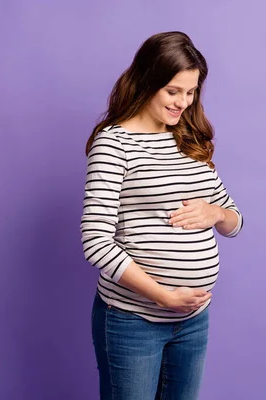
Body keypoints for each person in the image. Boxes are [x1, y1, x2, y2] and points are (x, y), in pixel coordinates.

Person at [80, 31, 244, 400]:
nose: (183, 103)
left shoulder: (189, 138)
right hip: (132, 320)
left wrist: (215, 213)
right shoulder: (114, 142)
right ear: (146, 81)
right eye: (173, 91)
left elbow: (235, 221)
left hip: (193, 322)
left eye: (191, 92)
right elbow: (95, 240)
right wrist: (161, 295)